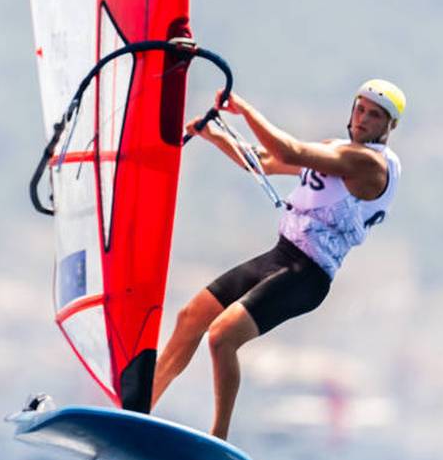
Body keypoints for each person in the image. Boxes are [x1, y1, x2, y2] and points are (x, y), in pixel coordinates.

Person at [151, 80, 405, 439]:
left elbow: (288, 151)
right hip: (281, 255)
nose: (362, 118)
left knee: (222, 336)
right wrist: (214, 136)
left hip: (307, 274)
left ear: (389, 126)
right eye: (359, 108)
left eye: (374, 115)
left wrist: (243, 110)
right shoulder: (336, 150)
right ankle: (139, 410)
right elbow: (266, 162)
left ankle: (218, 436)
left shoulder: (368, 164)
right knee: (190, 318)